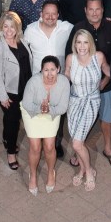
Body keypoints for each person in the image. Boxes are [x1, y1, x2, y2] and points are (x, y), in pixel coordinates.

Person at [65, 0, 111, 167]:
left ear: (103, 10)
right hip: (82, 89)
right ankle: (78, 149)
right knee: (79, 120)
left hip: (105, 84)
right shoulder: (78, 29)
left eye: (98, 9)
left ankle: (108, 148)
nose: (95, 13)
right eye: (91, 9)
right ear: (85, 10)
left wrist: (105, 80)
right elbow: (70, 57)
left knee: (107, 118)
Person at [64, 30, 110, 191]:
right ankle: (82, 169)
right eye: (78, 42)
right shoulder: (70, 59)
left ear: (90, 43)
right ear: (74, 44)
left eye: (85, 42)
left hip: (91, 101)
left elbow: (109, 72)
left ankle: (89, 171)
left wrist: (105, 82)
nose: (82, 46)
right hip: (74, 102)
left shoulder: (98, 57)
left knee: (76, 143)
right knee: (78, 140)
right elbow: (65, 79)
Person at [21, 57, 70, 195]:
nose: (49, 74)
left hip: (52, 113)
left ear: (58, 69)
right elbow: (26, 104)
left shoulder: (64, 82)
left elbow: (62, 107)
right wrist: (40, 110)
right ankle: (33, 174)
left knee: (49, 146)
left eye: (53, 70)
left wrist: (48, 110)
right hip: (32, 113)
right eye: (46, 70)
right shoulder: (33, 82)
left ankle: (50, 172)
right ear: (41, 70)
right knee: (35, 147)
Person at [0, 11, 31, 170]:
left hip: (25, 87)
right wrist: (3, 97)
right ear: (1, 27)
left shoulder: (23, 41)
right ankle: (11, 153)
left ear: (17, 27)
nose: (8, 30)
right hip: (8, 90)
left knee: (12, 117)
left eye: (12, 26)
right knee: (13, 121)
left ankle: (7, 139)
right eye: (5, 26)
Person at [23, 0, 73, 74]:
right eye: (47, 13)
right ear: (41, 14)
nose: (50, 17)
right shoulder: (30, 30)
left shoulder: (67, 28)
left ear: (58, 15)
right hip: (38, 78)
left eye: (53, 14)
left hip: (60, 77)